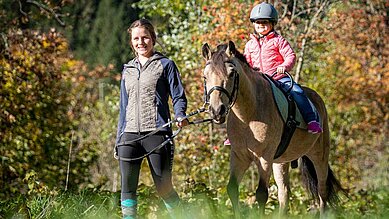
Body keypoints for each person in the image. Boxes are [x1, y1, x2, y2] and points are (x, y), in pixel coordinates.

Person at [115, 18, 188, 219]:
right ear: (131, 42)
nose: (141, 42)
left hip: (157, 133)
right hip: (128, 135)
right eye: (136, 39)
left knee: (164, 187)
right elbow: (123, 107)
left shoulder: (166, 65)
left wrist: (180, 115)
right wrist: (118, 139)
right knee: (127, 188)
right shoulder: (128, 69)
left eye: (145, 37)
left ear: (153, 39)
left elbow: (179, 96)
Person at [224, 2, 321, 146]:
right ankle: (233, 134)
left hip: (278, 78)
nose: (261, 25)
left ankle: (311, 119)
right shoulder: (250, 45)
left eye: (265, 22)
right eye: (258, 22)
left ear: (272, 23)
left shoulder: (278, 41)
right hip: (258, 81)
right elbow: (246, 64)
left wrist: (284, 66)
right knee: (238, 99)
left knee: (297, 91)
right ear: (253, 24)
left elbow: (290, 56)